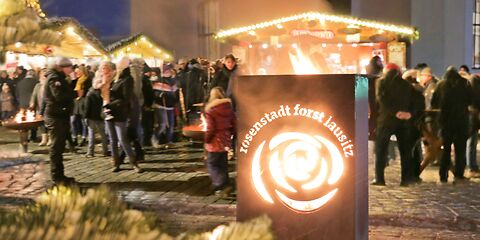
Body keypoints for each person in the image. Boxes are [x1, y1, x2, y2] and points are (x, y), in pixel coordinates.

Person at [373, 63, 416, 186]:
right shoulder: (407, 85)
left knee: (381, 150)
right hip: (403, 121)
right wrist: (408, 114)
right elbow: (414, 101)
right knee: (405, 151)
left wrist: (395, 112)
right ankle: (406, 179)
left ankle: (380, 179)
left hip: (386, 120)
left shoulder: (381, 83)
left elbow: (382, 100)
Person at [431, 66, 473, 183]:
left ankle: (443, 175)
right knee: (460, 149)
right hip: (461, 121)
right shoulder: (465, 83)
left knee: (446, 149)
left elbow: (434, 102)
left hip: (446, 121)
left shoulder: (441, 84)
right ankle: (459, 174)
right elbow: (471, 100)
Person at [103, 58, 142, 173]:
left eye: (119, 66)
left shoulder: (127, 79)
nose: (117, 67)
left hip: (119, 112)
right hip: (109, 113)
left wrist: (110, 105)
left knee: (122, 139)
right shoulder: (114, 78)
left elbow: (125, 98)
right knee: (113, 140)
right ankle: (116, 163)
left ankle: (133, 162)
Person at [43, 57, 76, 185]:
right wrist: (75, 94)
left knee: (59, 146)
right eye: (70, 67)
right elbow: (59, 96)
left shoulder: (59, 78)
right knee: (56, 147)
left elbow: (64, 91)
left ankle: (60, 175)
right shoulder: (54, 78)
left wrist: (73, 82)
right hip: (55, 116)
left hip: (59, 115)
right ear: (63, 67)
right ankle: (57, 177)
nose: (71, 69)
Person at [204, 87, 236, 195]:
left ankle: (219, 184)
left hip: (215, 141)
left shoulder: (211, 111)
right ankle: (226, 183)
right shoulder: (229, 108)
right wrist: (230, 135)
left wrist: (206, 140)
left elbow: (211, 128)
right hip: (225, 139)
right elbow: (234, 124)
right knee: (223, 162)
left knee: (212, 163)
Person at [84, 64, 110, 158]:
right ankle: (105, 151)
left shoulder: (90, 93)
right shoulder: (103, 92)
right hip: (100, 116)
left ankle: (90, 152)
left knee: (91, 134)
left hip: (91, 116)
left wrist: (85, 116)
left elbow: (87, 107)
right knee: (103, 134)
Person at [152, 63, 178, 148]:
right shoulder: (158, 80)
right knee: (162, 124)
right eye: (168, 69)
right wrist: (159, 94)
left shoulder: (173, 81)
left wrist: (175, 100)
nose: (169, 71)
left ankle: (169, 141)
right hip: (161, 106)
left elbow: (175, 93)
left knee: (170, 124)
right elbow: (154, 93)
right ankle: (155, 138)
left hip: (170, 105)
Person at [29, 68, 49, 146]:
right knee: (41, 124)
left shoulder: (50, 84)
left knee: (49, 123)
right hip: (39, 107)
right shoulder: (38, 85)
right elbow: (34, 95)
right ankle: (44, 139)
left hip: (48, 108)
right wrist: (32, 103)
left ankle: (50, 139)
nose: (43, 76)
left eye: (45, 74)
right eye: (42, 74)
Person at [467, 74, 480, 177]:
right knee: (472, 140)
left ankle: (472, 166)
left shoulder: (474, 80)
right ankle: (472, 166)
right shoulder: (474, 80)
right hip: (473, 114)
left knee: (472, 141)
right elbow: (475, 98)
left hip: (474, 114)